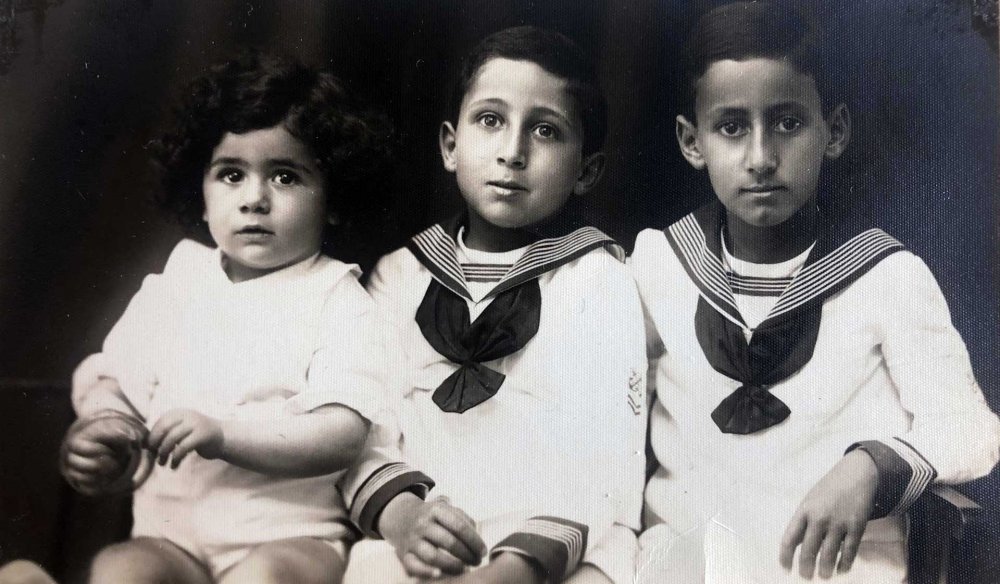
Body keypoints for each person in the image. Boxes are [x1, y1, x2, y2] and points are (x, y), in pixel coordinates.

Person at [632, 3, 1000, 582]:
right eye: (732, 127)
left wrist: (870, 466)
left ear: (835, 131)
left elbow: (973, 429)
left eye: (787, 123)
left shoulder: (883, 275)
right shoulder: (659, 265)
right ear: (691, 141)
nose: (760, 159)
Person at [61, 53, 394, 584]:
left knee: (264, 579)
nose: (254, 199)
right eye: (231, 175)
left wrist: (223, 436)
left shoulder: (338, 297)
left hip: (290, 538)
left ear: (332, 199)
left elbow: (342, 433)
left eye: (285, 177)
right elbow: (110, 377)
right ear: (202, 187)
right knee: (119, 570)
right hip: (171, 537)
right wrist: (105, 426)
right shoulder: (179, 281)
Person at [338, 26, 647, 584]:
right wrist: (404, 519)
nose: (512, 152)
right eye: (491, 120)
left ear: (587, 171)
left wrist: (518, 566)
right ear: (451, 145)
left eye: (546, 131)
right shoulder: (398, 276)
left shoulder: (597, 279)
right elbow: (362, 424)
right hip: (425, 535)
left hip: (556, 545)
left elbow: (610, 455)